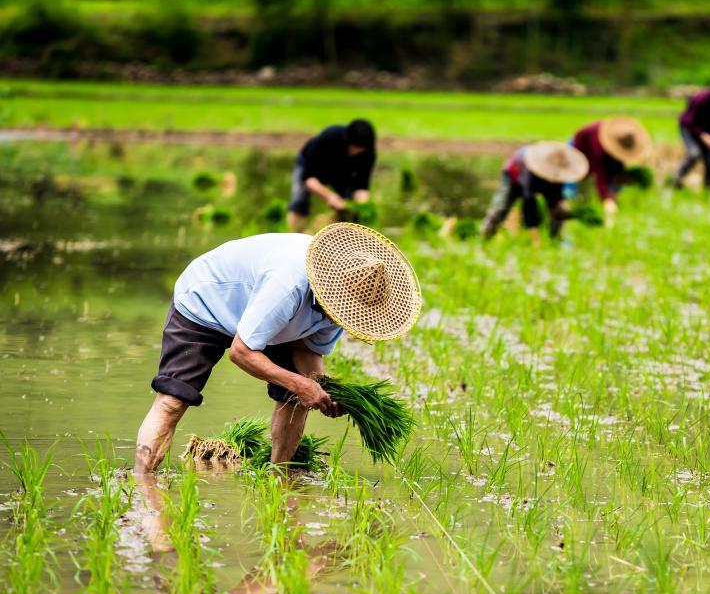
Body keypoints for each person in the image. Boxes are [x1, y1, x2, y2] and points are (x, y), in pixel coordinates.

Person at [133, 222, 421, 474]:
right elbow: (241, 352)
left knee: (297, 399)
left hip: (268, 320)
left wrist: (322, 389)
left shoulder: (345, 305)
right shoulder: (288, 284)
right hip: (206, 301)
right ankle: (141, 485)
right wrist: (299, 383)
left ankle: (279, 478)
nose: (341, 318)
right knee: (173, 401)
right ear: (328, 288)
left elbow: (308, 351)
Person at [481, 141, 588, 245]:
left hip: (538, 179)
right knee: (501, 207)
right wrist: (535, 236)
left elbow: (556, 198)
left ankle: (555, 239)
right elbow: (528, 201)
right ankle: (485, 237)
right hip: (513, 175)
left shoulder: (559, 174)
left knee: (557, 210)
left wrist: (560, 211)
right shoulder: (531, 170)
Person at [288, 119, 377, 233]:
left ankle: (338, 240)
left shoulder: (368, 152)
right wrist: (330, 196)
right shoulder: (329, 137)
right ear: (348, 140)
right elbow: (309, 179)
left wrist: (361, 206)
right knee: (299, 202)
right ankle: (296, 236)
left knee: (349, 211)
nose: (358, 152)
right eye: (356, 148)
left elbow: (362, 185)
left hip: (342, 171)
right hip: (312, 166)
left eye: (362, 149)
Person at [569, 116, 652, 227]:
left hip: (599, 155)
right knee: (579, 191)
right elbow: (599, 174)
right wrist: (606, 199)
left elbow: (617, 166)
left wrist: (615, 190)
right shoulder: (598, 147)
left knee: (612, 184)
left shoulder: (618, 144)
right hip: (578, 149)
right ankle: (578, 215)